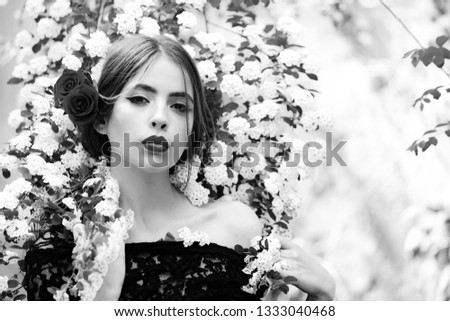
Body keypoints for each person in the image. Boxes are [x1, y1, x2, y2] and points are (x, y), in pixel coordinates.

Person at [23, 35, 335, 301]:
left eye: (179, 106)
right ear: (103, 118)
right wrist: (103, 295)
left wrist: (323, 298)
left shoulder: (236, 227)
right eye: (140, 99)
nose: (161, 118)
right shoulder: (63, 249)